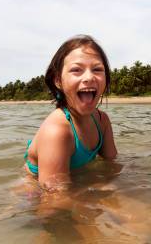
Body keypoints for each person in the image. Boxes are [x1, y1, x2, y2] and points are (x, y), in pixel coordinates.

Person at [24, 35, 117, 190]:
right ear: (58, 81)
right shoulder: (57, 131)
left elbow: (112, 164)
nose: (89, 77)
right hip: (32, 194)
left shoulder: (102, 120)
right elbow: (54, 202)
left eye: (97, 69)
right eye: (76, 70)